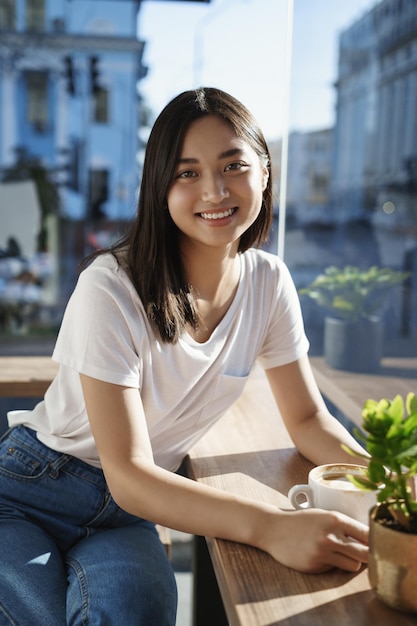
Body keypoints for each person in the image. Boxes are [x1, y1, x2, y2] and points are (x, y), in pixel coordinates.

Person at [0, 87, 368, 626]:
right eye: (187, 172)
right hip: (30, 493)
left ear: (265, 171)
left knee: (133, 614)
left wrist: (384, 476)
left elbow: (309, 419)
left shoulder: (270, 282)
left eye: (233, 165)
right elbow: (127, 471)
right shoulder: (112, 285)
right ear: (160, 188)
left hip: (131, 515)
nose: (215, 190)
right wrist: (272, 526)